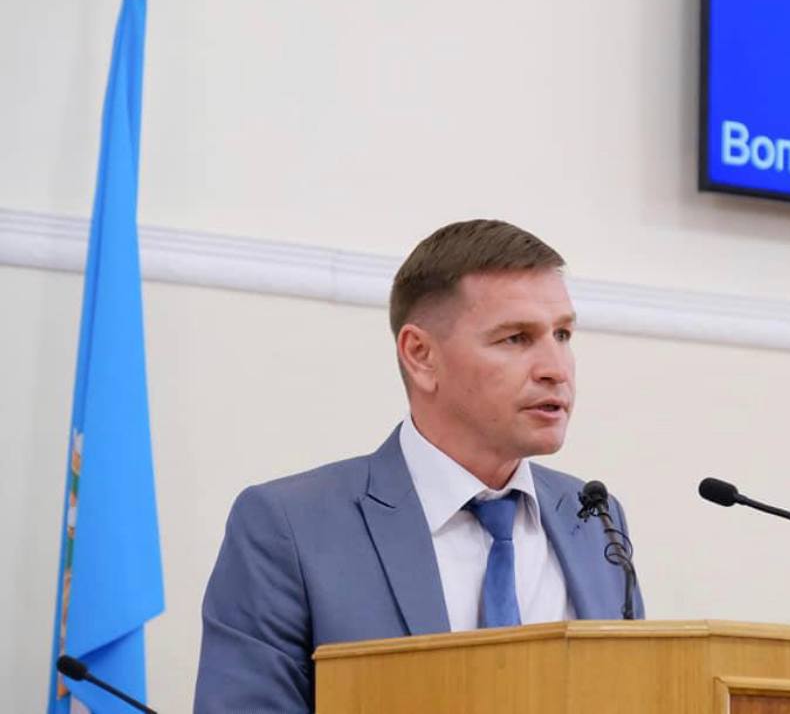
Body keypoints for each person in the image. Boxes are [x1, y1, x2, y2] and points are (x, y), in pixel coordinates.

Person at [193, 220, 644, 713]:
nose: (555, 368)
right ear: (421, 355)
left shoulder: (593, 518)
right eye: (516, 338)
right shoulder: (289, 528)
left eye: (562, 334)